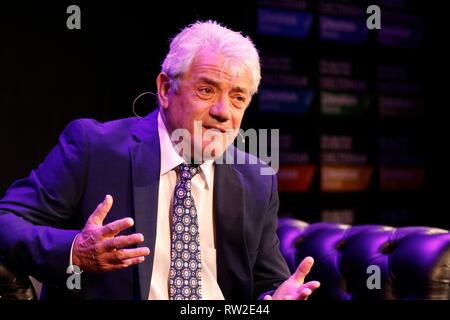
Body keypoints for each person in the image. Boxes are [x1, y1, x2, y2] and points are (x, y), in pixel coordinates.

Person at [0, 20, 320, 300]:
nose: (224, 112)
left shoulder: (255, 177)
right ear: (166, 89)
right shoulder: (93, 148)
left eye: (238, 97)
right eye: (207, 90)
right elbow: (6, 220)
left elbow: (266, 280)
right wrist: (74, 252)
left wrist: (276, 296)